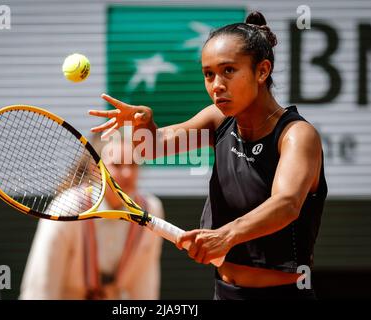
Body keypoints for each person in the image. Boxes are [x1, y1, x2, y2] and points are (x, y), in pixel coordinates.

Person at [88, 11, 327, 300]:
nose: (217, 85)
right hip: (224, 292)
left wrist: (225, 235)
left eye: (228, 71)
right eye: (208, 74)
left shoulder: (297, 135)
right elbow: (151, 147)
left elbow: (286, 204)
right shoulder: (218, 120)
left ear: (262, 71)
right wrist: (145, 126)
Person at [20, 134, 165, 300]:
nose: (127, 173)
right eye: (117, 164)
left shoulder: (150, 210)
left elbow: (145, 282)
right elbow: (40, 287)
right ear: (95, 169)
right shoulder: (67, 208)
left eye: (133, 164)